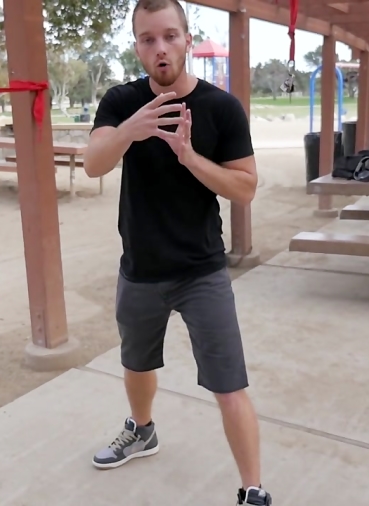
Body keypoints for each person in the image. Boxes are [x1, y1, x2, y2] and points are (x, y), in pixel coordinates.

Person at [83, 1, 270, 505]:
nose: (160, 48)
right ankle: (142, 430)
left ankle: (253, 491)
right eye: (148, 39)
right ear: (138, 46)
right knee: (138, 363)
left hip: (201, 269)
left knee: (228, 383)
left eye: (169, 36)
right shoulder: (122, 101)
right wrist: (131, 129)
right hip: (140, 268)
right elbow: (92, 165)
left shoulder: (221, 108)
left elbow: (245, 188)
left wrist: (188, 156)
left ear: (188, 39)